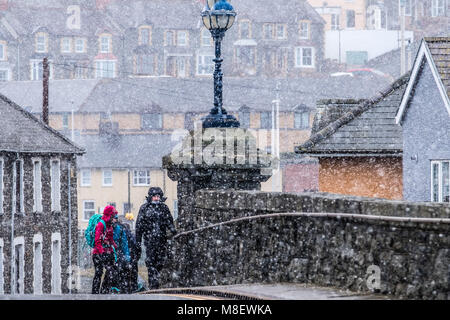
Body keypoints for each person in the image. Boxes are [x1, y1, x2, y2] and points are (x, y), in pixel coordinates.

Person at [135, 187, 177, 289]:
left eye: (158, 196)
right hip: (149, 241)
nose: (157, 198)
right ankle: (153, 283)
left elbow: (169, 222)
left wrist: (173, 230)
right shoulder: (144, 208)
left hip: (162, 240)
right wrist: (138, 241)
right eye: (155, 196)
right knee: (151, 262)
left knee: (160, 262)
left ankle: (156, 280)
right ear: (150, 197)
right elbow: (139, 226)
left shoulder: (164, 208)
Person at [92, 205, 118, 294]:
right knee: (98, 273)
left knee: (110, 271)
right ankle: (95, 293)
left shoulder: (109, 226)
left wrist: (114, 246)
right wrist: (101, 252)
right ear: (109, 215)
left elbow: (110, 239)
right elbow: (97, 240)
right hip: (98, 253)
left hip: (107, 252)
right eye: (113, 216)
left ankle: (104, 291)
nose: (114, 218)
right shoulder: (101, 224)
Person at [112, 214, 131, 293]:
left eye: (115, 218)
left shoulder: (119, 229)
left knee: (119, 270)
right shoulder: (107, 228)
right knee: (114, 271)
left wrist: (126, 256)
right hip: (112, 253)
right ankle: (116, 287)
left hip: (118, 253)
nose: (114, 220)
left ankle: (119, 288)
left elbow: (124, 244)